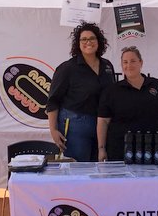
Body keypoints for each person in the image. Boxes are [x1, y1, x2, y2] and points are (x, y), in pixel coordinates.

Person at [46, 22, 115, 162]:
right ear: (78, 43)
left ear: (99, 41)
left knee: (99, 170)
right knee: (79, 170)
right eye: (83, 39)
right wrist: (53, 130)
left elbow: (111, 96)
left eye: (92, 38)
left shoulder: (107, 66)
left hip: (102, 125)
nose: (88, 42)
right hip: (76, 126)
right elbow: (53, 101)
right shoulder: (67, 68)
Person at [97, 46, 158, 162]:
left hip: (156, 150)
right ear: (121, 65)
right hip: (121, 151)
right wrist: (101, 149)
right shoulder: (111, 91)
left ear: (141, 63)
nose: (129, 65)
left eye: (133, 61)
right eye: (125, 62)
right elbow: (103, 121)